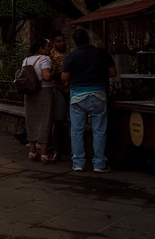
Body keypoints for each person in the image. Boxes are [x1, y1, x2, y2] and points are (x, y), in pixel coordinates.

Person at [62, 28, 117, 173]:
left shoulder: (71, 56)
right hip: (98, 95)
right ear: (88, 39)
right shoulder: (101, 53)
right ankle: (99, 163)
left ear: (74, 41)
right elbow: (112, 73)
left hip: (77, 97)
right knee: (99, 130)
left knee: (76, 131)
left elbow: (64, 77)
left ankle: (78, 163)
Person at [21, 39, 55, 164]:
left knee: (31, 119)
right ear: (41, 49)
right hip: (44, 91)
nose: (49, 49)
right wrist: (54, 70)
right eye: (48, 46)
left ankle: (32, 151)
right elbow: (46, 76)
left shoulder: (26, 60)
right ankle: (44, 154)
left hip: (29, 92)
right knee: (45, 120)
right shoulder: (44, 59)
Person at [50, 30, 71, 161]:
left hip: (70, 89)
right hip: (58, 89)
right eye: (58, 41)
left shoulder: (70, 54)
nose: (62, 43)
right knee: (57, 122)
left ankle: (70, 150)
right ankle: (57, 150)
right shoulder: (51, 56)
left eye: (63, 40)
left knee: (71, 122)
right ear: (53, 43)